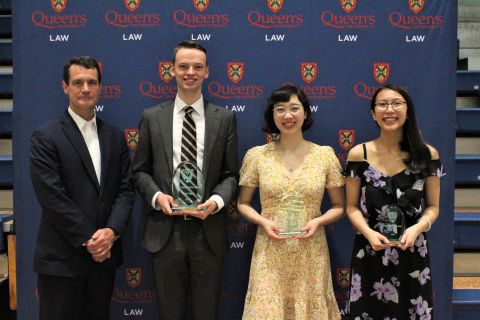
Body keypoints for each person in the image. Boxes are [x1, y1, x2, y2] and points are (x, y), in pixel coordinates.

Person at [133, 41, 238, 319]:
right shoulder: (152, 117)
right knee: (170, 313)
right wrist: (157, 197)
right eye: (183, 66)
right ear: (171, 71)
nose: (190, 72)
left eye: (197, 67)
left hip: (209, 232)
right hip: (166, 232)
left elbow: (231, 175)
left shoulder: (225, 119)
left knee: (207, 313)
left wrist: (215, 202)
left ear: (207, 72)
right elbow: (140, 171)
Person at [29, 56, 134, 320]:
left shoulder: (114, 136)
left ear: (100, 87)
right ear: (65, 87)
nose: (85, 88)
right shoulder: (46, 136)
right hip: (62, 261)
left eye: (91, 82)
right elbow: (52, 198)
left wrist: (110, 232)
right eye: (78, 82)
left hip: (103, 262)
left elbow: (125, 190)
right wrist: (93, 240)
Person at [237, 84, 344, 320]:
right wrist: (263, 222)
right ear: (272, 115)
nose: (287, 116)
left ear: (305, 113)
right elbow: (243, 203)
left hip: (311, 249)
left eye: (294, 108)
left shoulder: (324, 155)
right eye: (280, 109)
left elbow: (339, 206)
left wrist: (318, 221)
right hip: (269, 249)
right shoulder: (257, 156)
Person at [344, 84, 444, 319]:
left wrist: (418, 228)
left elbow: (433, 207)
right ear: (373, 114)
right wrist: (368, 233)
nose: (390, 109)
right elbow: (350, 207)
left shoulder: (427, 155)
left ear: (408, 111)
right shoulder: (359, 154)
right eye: (382, 104)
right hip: (369, 250)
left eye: (397, 103)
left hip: (412, 251)